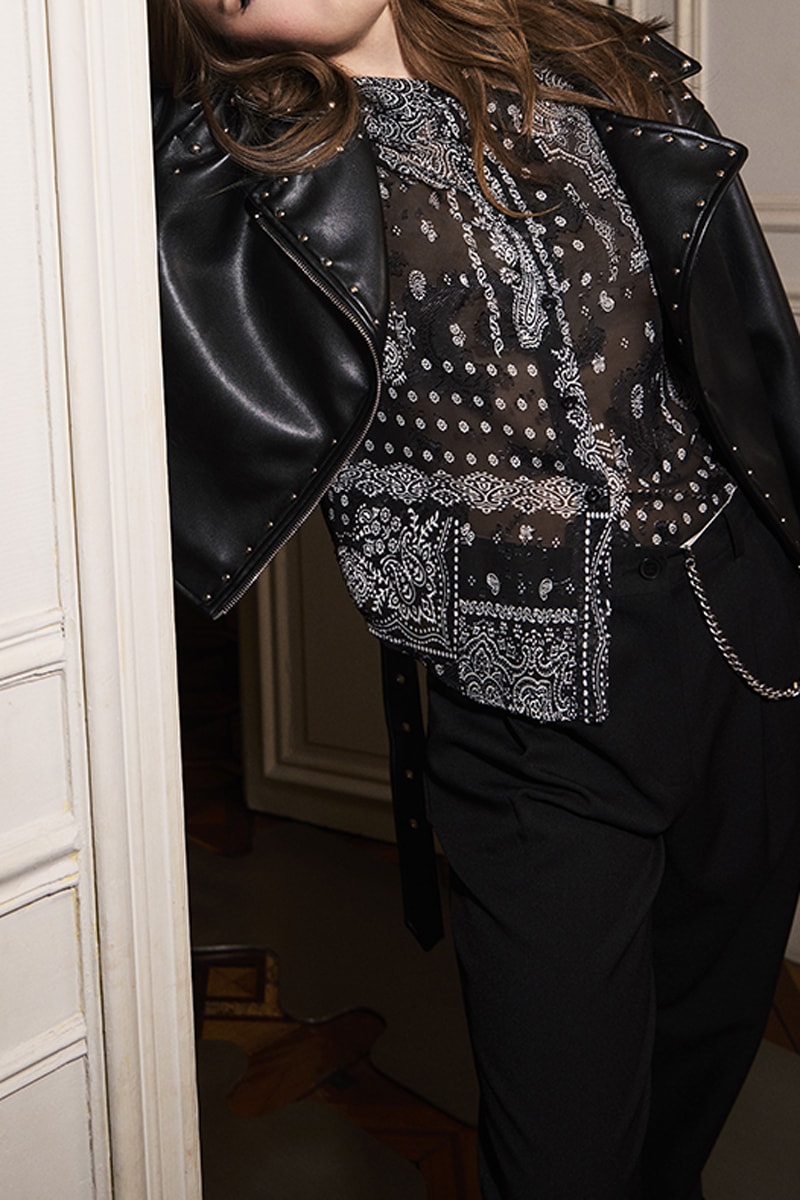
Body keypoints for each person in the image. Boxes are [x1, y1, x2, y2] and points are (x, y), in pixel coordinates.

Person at [148, 1, 800, 1196]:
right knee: (562, 1154)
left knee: (701, 1053)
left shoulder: (586, 67)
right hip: (519, 705)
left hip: (741, 634)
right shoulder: (218, 166)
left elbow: (736, 346)